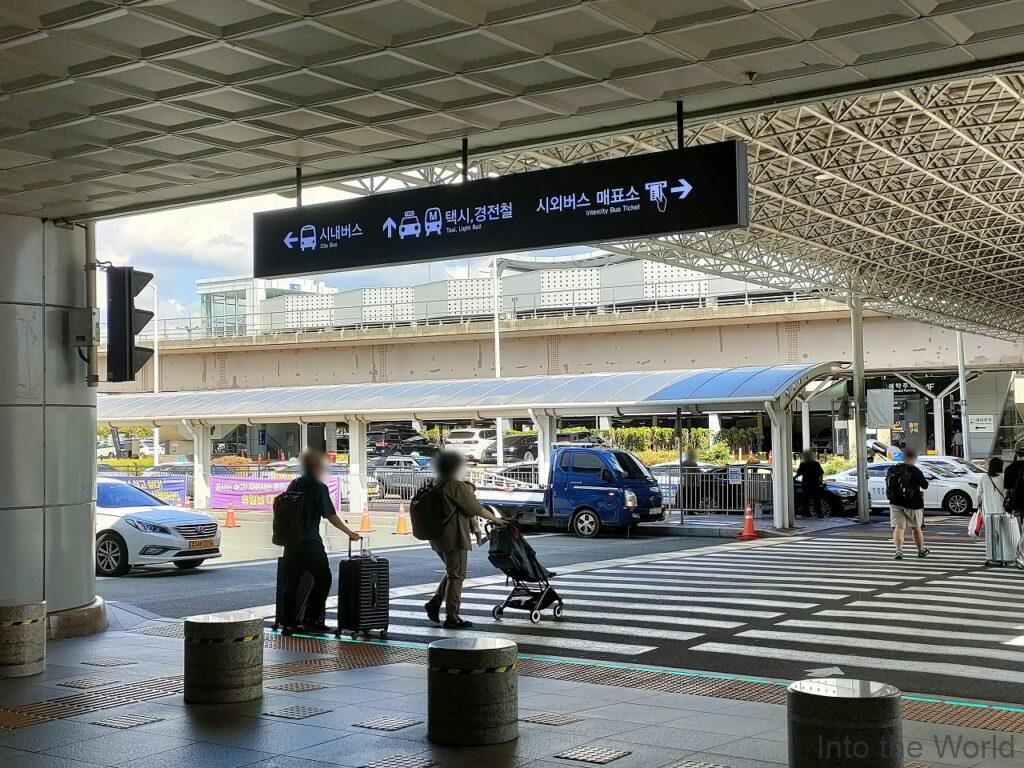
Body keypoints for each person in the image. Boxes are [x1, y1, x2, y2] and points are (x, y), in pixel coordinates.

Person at [424, 451, 506, 629]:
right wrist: (497, 520)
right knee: (457, 576)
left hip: (436, 536)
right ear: (454, 467)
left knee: (452, 571)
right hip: (454, 537)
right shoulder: (455, 485)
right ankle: (452, 617)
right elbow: (475, 508)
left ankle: (435, 603)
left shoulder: (434, 483)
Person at [282, 451, 360, 633]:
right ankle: (311, 620)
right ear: (317, 467)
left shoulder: (294, 484)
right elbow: (330, 515)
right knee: (324, 578)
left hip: (291, 543)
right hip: (310, 542)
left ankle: (288, 623)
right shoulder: (319, 487)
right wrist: (349, 532)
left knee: (291, 582)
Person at [885, 447, 930, 560]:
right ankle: (920, 551)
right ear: (914, 458)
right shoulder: (915, 470)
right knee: (916, 528)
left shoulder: (893, 469)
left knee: (899, 527)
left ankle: (899, 551)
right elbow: (925, 485)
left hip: (895, 503)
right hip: (913, 504)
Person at [794, 450, 825, 518]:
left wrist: (793, 478)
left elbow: (799, 473)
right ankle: (819, 513)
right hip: (815, 484)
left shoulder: (803, 464)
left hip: (806, 484)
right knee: (816, 500)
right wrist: (820, 481)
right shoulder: (816, 464)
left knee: (806, 500)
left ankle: (807, 513)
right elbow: (821, 473)